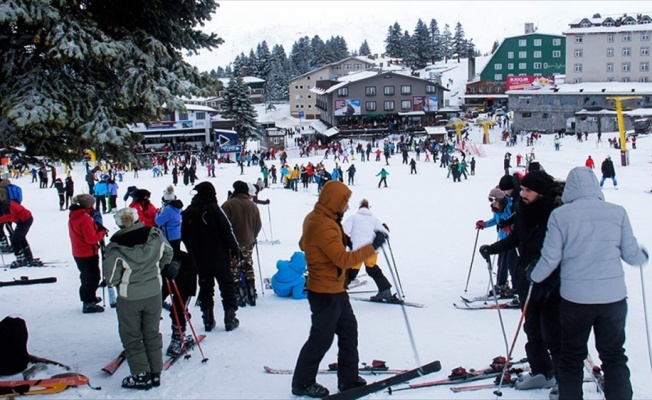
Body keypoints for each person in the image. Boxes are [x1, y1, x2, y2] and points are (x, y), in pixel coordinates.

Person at [529, 167, 648, 400]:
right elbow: (632, 255)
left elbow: (551, 258)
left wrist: (534, 276)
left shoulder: (561, 215)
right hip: (612, 300)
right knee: (614, 355)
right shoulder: (617, 212)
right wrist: (642, 255)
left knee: (571, 356)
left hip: (576, 300)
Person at [291, 180, 387, 398]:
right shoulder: (322, 224)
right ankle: (302, 383)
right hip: (325, 292)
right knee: (321, 339)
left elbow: (303, 243)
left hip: (335, 289)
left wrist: (343, 239)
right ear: (334, 201)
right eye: (344, 202)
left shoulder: (320, 218)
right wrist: (372, 246)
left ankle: (348, 379)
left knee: (348, 331)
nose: (346, 206)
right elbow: (343, 260)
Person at [478, 171, 563, 394]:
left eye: (528, 191)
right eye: (522, 189)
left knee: (552, 330)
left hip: (552, 281)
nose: (523, 194)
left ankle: (565, 379)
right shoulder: (523, 210)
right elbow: (517, 238)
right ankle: (542, 371)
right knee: (531, 327)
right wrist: (493, 249)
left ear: (541, 193)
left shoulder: (556, 214)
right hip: (527, 278)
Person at [103, 207, 174, 390]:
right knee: (151, 331)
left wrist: (121, 281)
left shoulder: (115, 247)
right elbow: (168, 253)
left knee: (132, 336)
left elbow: (110, 278)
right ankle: (156, 372)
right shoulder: (154, 236)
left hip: (130, 297)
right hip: (153, 292)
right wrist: (157, 268)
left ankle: (142, 374)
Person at [181, 181, 240, 332]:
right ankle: (230, 319)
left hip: (200, 258)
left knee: (206, 287)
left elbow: (184, 236)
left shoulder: (188, 213)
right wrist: (234, 248)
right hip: (219, 256)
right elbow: (227, 230)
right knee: (227, 286)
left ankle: (207, 320)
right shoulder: (214, 210)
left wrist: (192, 251)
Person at [342, 199, 396, 302]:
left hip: (357, 250)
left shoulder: (354, 218)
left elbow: (343, 231)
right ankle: (385, 291)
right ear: (368, 208)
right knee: (372, 269)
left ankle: (337, 292)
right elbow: (384, 233)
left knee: (350, 271)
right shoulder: (374, 220)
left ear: (359, 208)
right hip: (371, 250)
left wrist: (348, 243)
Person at [222, 181, 262, 307]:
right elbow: (258, 225)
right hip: (248, 241)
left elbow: (223, 225)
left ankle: (238, 295)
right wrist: (252, 236)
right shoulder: (253, 206)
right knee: (248, 266)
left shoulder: (228, 205)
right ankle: (251, 293)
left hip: (232, 243)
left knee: (234, 268)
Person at [68, 194, 107, 313]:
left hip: (79, 251)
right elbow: (91, 238)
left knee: (86, 276)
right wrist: (102, 232)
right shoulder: (84, 218)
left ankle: (88, 297)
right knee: (92, 278)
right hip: (87, 252)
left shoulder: (74, 215)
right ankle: (88, 302)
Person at [475, 188, 517, 295]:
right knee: (501, 263)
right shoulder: (498, 208)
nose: (493, 204)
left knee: (512, 263)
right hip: (502, 240)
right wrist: (485, 224)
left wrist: (511, 227)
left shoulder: (511, 207)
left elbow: (517, 220)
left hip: (512, 241)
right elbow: (495, 220)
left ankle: (517, 286)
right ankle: (501, 284)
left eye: (494, 201)